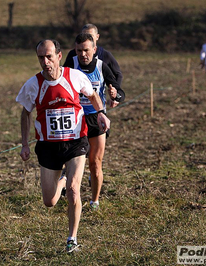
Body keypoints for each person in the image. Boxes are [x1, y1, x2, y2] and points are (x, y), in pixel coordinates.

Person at [16, 39, 110, 253]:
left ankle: (72, 239)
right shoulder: (34, 84)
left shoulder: (74, 77)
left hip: (76, 143)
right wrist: (24, 144)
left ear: (59, 56)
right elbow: (25, 113)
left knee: (74, 192)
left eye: (49, 56)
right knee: (49, 201)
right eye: (41, 57)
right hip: (48, 147)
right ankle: (64, 178)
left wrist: (101, 114)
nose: (45, 61)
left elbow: (93, 95)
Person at [64, 33, 125, 211]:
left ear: (94, 50)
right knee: (73, 162)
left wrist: (116, 95)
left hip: (97, 119)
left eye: (86, 50)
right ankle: (71, 196)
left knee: (95, 163)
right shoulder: (71, 65)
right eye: (79, 50)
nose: (83, 54)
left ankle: (94, 201)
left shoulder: (101, 66)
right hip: (75, 120)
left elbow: (119, 90)